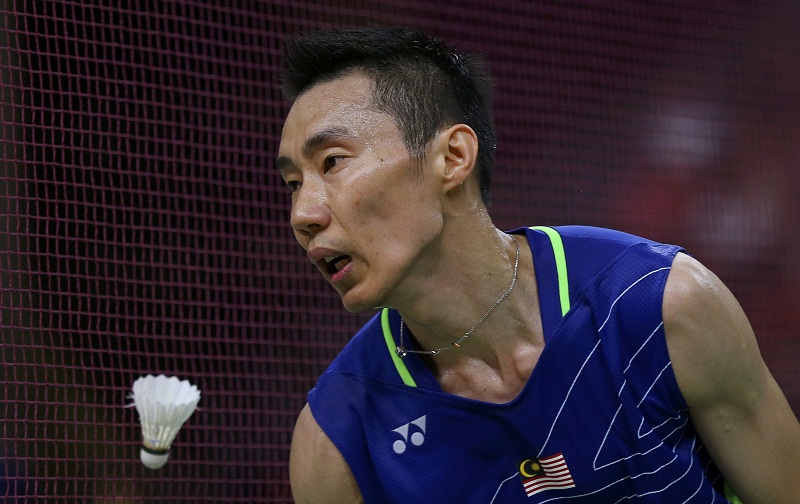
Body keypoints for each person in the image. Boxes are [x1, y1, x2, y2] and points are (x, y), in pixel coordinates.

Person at [276, 26, 800, 504]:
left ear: (453, 157)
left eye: (332, 163)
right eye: (294, 184)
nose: (303, 214)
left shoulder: (658, 306)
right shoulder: (338, 443)